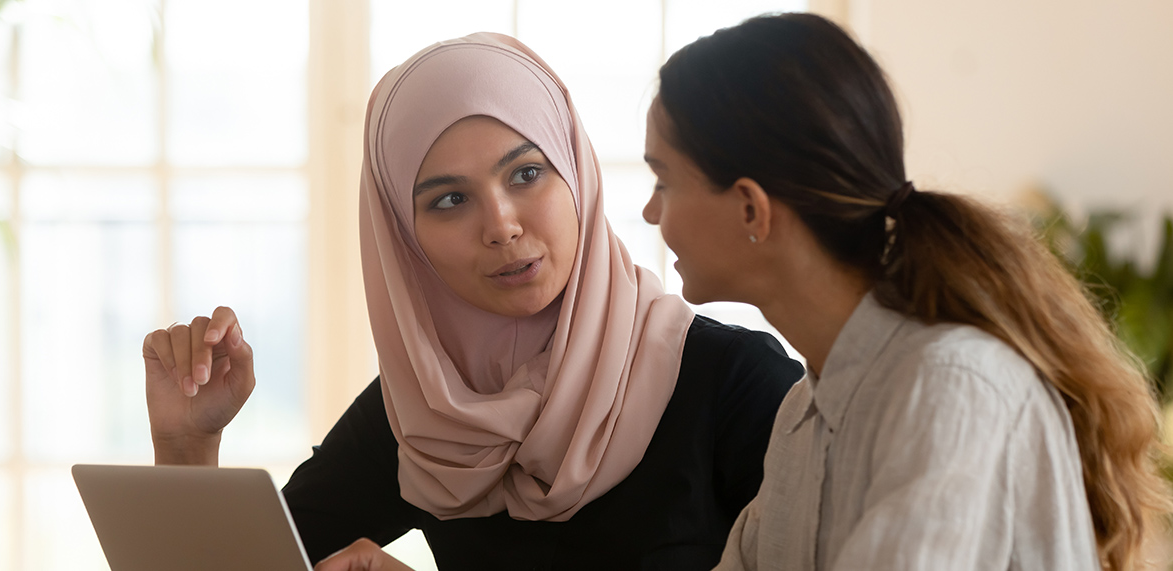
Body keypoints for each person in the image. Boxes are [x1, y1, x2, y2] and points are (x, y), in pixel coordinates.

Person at [318, 12, 1172, 571]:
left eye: (664, 180)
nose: (645, 211)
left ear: (752, 208)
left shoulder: (947, 388)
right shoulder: (810, 413)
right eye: (449, 198)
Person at [142, 33, 803, 570]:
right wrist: (186, 444)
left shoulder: (735, 383)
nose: (501, 224)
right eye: (449, 199)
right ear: (405, 240)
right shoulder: (426, 415)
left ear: (576, 172)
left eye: (526, 173)